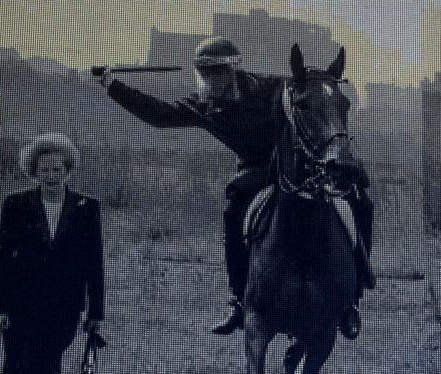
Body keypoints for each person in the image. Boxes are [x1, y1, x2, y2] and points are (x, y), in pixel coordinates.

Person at [98, 36, 373, 339]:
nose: (213, 80)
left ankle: (354, 296)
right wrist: (112, 86)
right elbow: (159, 115)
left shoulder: (273, 87)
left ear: (233, 70)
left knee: (361, 200)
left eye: (218, 72)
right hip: (256, 170)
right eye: (206, 74)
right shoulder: (203, 107)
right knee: (233, 211)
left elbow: (315, 97)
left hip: (299, 163)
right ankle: (239, 300)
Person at [0, 133, 104, 374]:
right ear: (34, 173)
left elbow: (95, 264)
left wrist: (96, 312)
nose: (52, 176)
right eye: (45, 170)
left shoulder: (86, 207)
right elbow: (1, 257)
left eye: (57, 169)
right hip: (19, 305)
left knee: (43, 363)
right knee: (19, 366)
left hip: (64, 307)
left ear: (67, 170)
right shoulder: (16, 205)